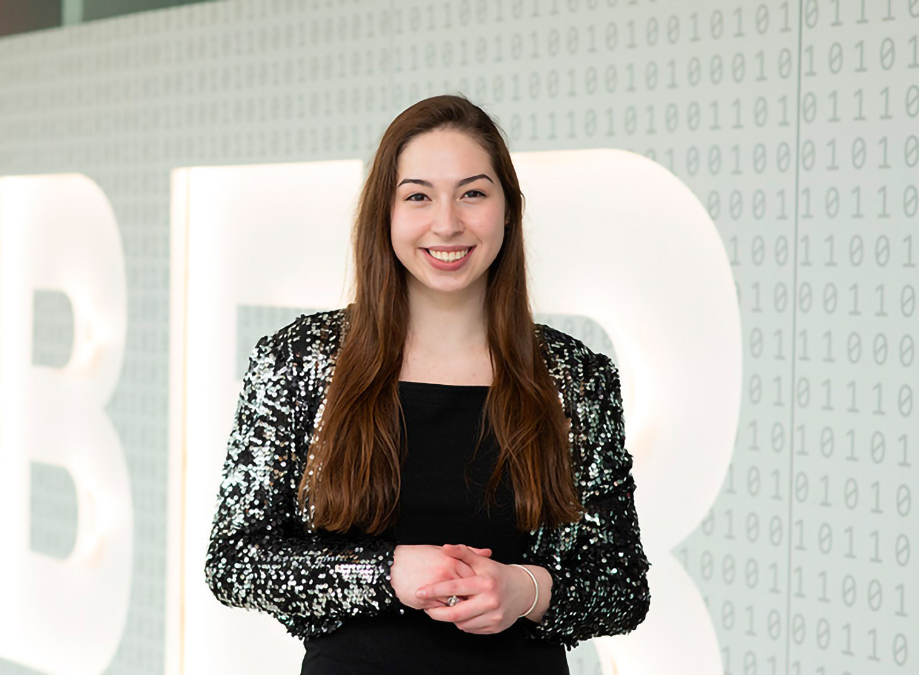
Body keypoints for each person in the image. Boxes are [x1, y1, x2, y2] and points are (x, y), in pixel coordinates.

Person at [204, 94, 650, 674]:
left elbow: (621, 585)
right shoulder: (300, 360)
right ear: (384, 214)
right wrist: (386, 572)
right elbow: (235, 560)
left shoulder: (574, 377)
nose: (447, 222)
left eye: (473, 193)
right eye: (418, 196)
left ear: (508, 210)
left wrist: (524, 589)